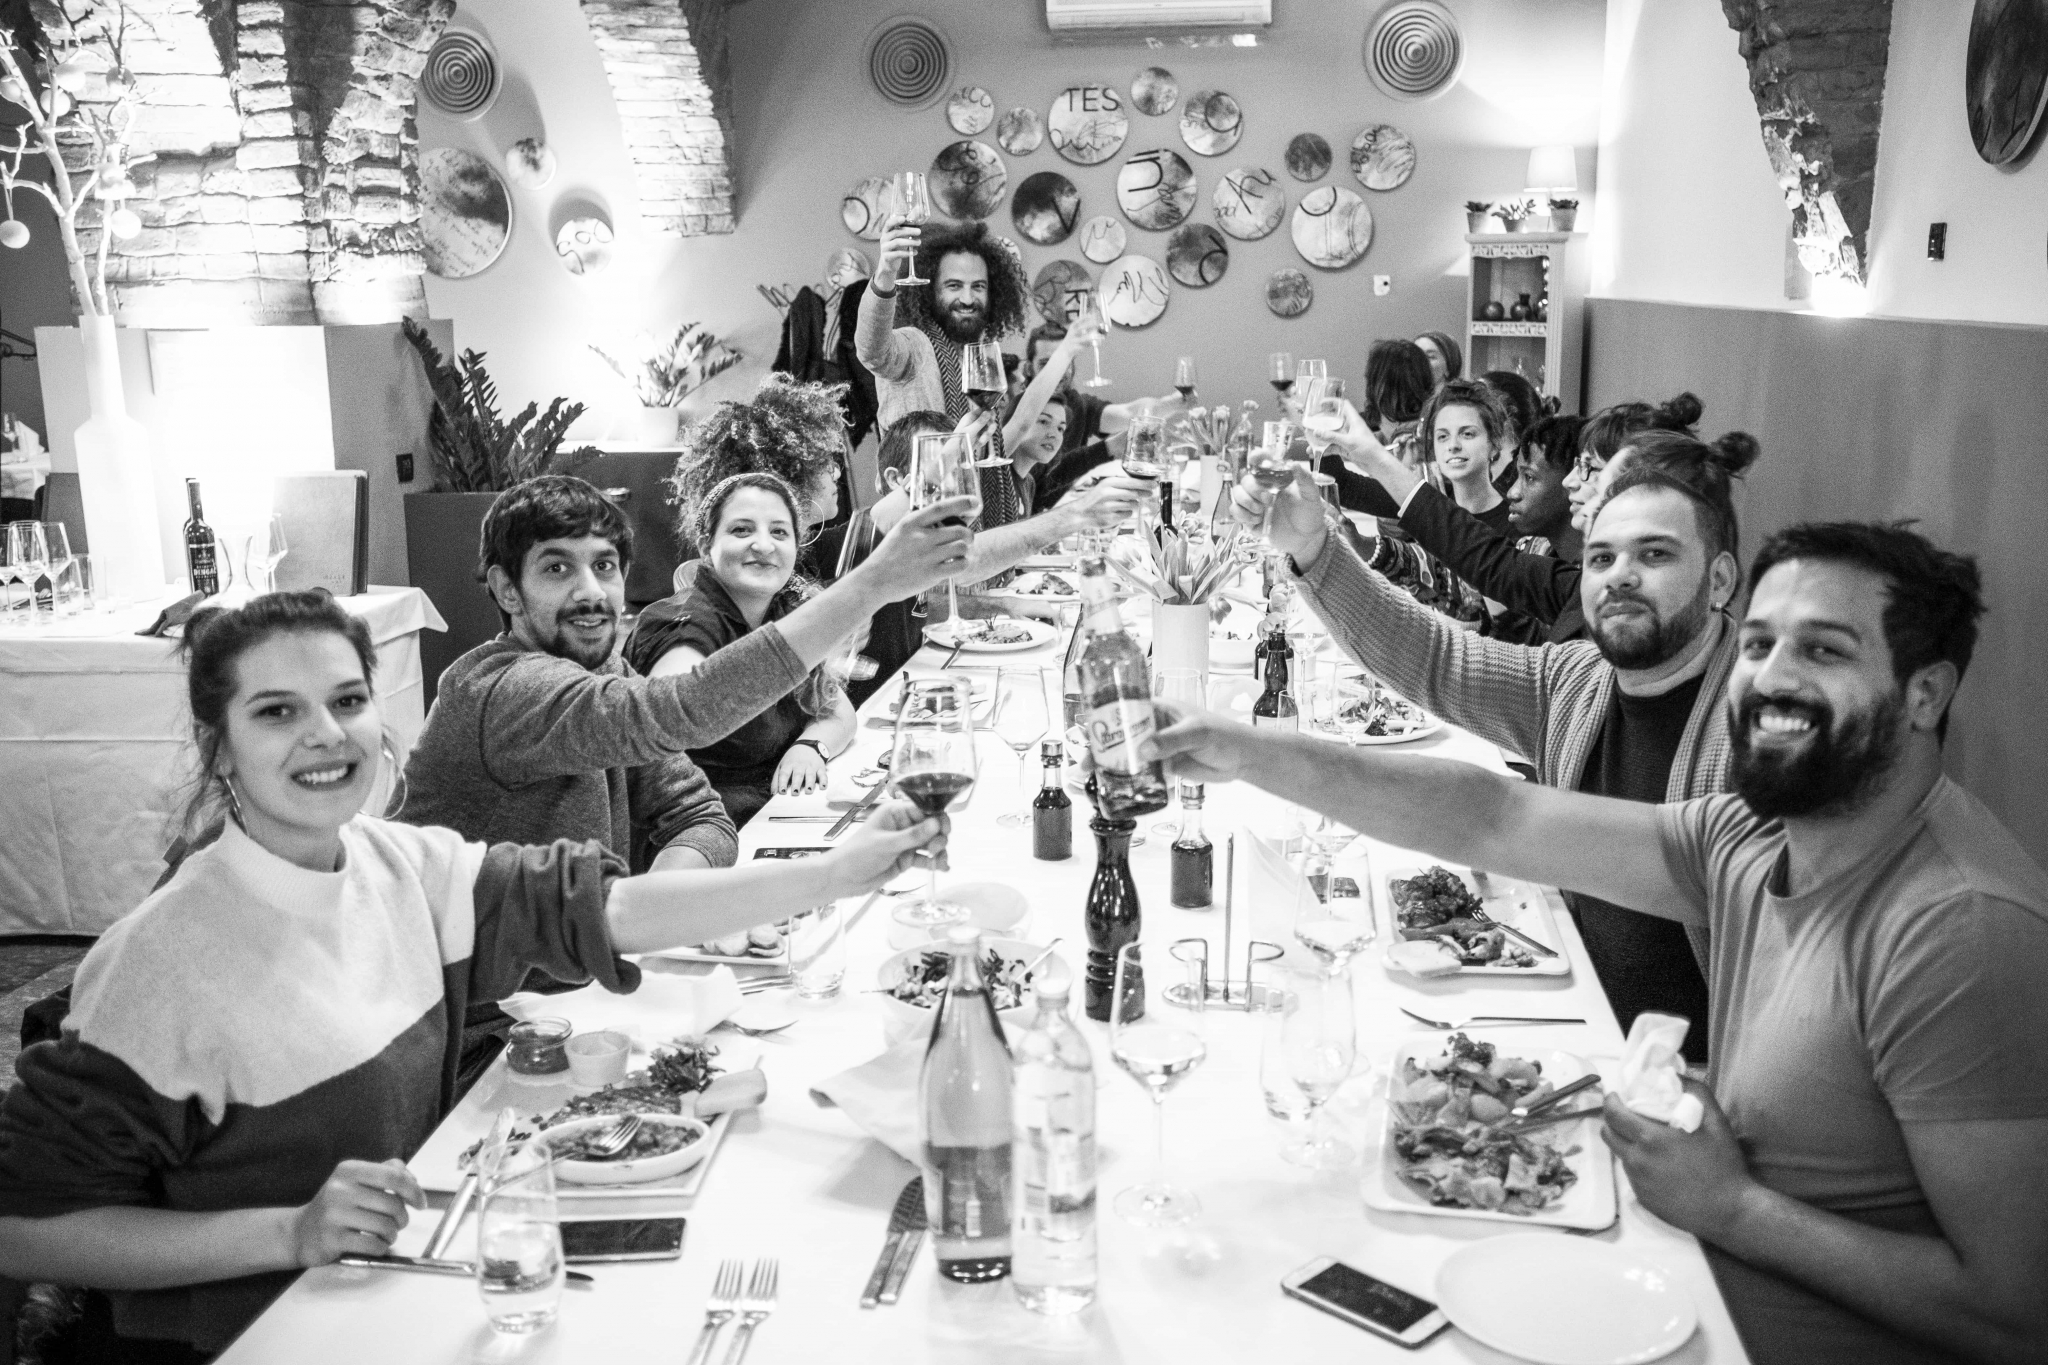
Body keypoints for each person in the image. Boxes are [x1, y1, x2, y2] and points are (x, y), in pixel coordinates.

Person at [1144, 523, 2048, 1365]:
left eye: (1824, 650)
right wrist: (1248, 752)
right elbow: (1497, 818)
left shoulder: (1958, 929)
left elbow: (2015, 1311)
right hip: (1678, 1273)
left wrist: (1734, 1207)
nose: (1771, 677)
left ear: (1926, 692)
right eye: (1759, 643)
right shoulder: (1757, 835)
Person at [0, 591, 946, 1359]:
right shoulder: (164, 956)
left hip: (396, 1294)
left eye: (347, 700)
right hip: (254, 1333)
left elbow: (607, 909)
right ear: (219, 745)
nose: (326, 734)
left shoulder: (400, 865)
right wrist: (288, 1231)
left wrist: (835, 873)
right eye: (277, 711)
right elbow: (25, 1227)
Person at [1235, 457, 1751, 1056]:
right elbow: (1436, 657)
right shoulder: (1574, 681)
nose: (1620, 577)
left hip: (1689, 1076)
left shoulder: (1757, 734)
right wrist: (1313, 550)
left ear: (1719, 580)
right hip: (1573, 1016)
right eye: (1601, 558)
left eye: (1655, 554)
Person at [399, 473, 972, 864]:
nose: (591, 592)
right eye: (557, 569)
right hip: (476, 1000)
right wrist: (872, 584)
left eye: (604, 566)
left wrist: (672, 906)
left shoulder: (610, 671)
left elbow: (697, 814)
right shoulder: (502, 688)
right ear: (507, 589)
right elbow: (681, 709)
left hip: (587, 959)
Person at [1325, 399, 1740, 644]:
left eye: (1655, 554)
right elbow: (1482, 560)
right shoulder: (1575, 583)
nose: (1573, 481)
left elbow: (1482, 567)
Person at [624, 473, 855, 826]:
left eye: (779, 532)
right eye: (742, 530)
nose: (763, 545)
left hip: (773, 812)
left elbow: (838, 712)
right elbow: (675, 708)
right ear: (706, 545)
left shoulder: (783, 610)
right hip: (699, 829)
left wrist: (810, 748)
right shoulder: (684, 624)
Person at [856, 217, 1036, 528]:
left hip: (970, 523)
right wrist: (886, 272)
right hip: (914, 524)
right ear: (930, 290)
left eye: (978, 287)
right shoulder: (914, 344)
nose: (967, 299)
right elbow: (873, 350)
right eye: (954, 286)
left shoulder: (977, 355)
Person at [665, 375, 853, 579]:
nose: (836, 473)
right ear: (794, 480)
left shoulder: (807, 554)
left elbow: (872, 526)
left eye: (779, 532)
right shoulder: (765, 577)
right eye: (824, 464)